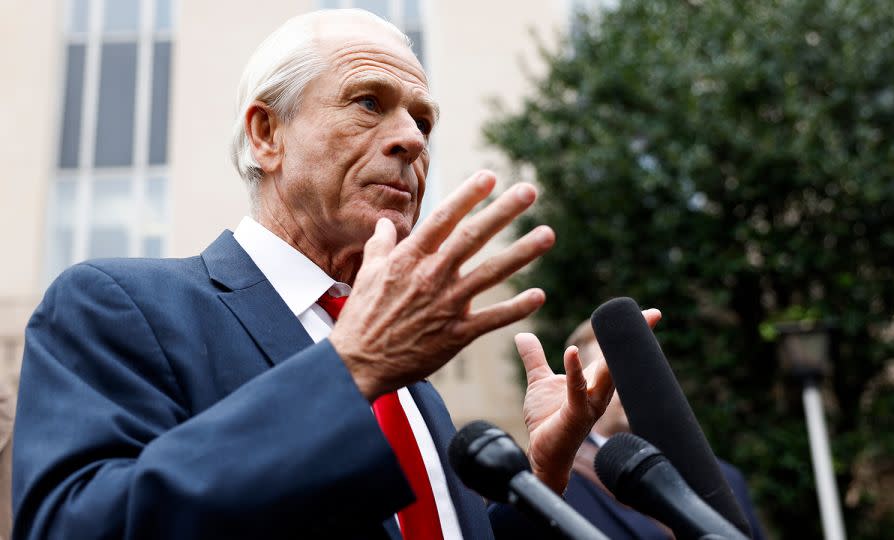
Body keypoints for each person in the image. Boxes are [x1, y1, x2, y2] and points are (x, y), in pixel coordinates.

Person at [12, 9, 659, 540]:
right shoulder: (120, 307)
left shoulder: (413, 389)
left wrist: (541, 479)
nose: (411, 138)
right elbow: (78, 527)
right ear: (267, 134)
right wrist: (350, 371)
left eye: (423, 120)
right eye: (369, 102)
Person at [561, 319, 768, 540]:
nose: (634, 381)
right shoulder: (559, 487)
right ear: (580, 386)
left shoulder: (727, 479)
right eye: (615, 371)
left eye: (645, 368)